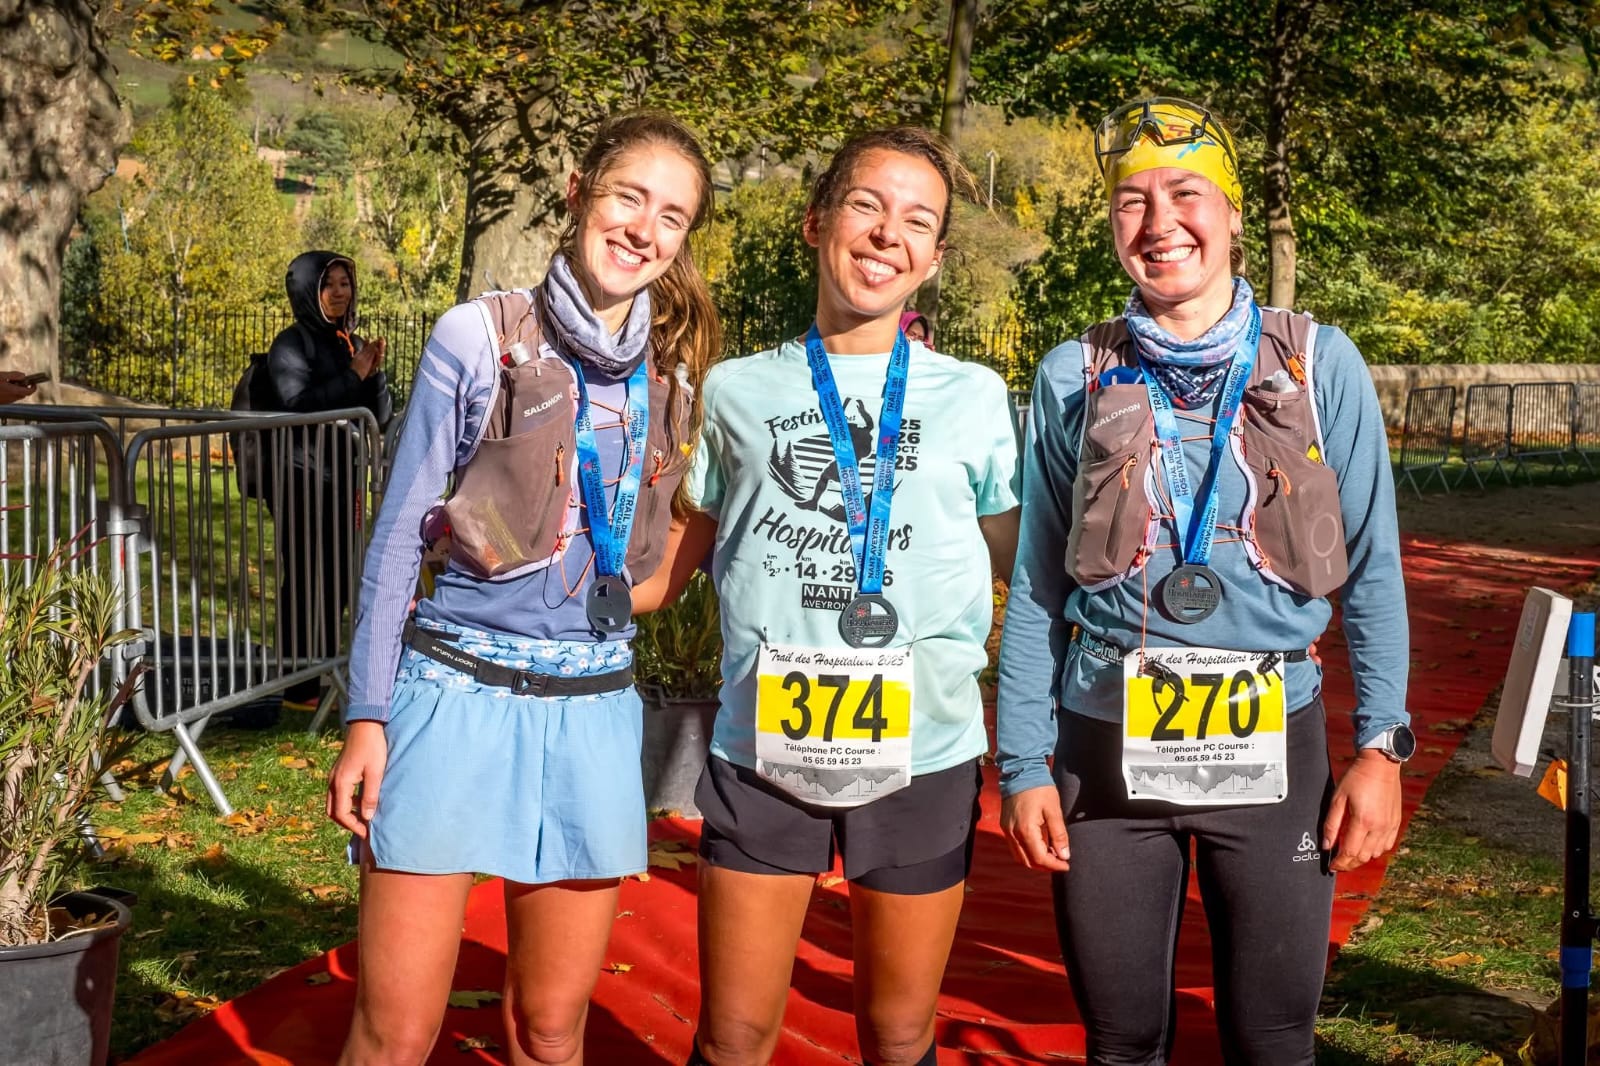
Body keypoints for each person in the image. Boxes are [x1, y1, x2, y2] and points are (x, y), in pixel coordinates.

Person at [996, 97, 1412, 1066]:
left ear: (1231, 214)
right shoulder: (1074, 371)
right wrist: (1021, 763)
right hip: (1102, 749)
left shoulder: (1317, 362)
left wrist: (1382, 747)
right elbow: (1036, 586)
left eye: (1185, 194)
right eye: (1130, 201)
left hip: (1273, 745)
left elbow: (1373, 568)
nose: (1158, 223)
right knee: (1122, 1039)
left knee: (1272, 1038)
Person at [325, 111, 719, 1066]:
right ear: (580, 190)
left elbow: (654, 567)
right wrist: (368, 716)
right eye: (629, 197)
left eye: (671, 216)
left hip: (590, 713)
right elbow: (394, 543)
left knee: (550, 1032)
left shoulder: (676, 373)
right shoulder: (477, 333)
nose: (643, 229)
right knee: (395, 1034)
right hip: (452, 696)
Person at [636, 127, 1020, 1066]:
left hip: (922, 750)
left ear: (932, 260)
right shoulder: (735, 390)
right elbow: (663, 570)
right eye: (867, 206)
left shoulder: (975, 396)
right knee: (733, 1035)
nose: (889, 233)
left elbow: (1030, 569)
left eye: (918, 221)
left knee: (896, 1034)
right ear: (816, 222)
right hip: (764, 748)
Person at [258, 252, 393, 713]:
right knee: (304, 579)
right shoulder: (290, 345)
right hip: (301, 479)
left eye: (345, 283)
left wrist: (372, 376)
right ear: (306, 292)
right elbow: (297, 406)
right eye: (328, 285)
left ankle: (324, 672)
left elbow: (376, 417)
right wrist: (354, 373)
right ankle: (298, 688)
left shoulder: (345, 341)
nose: (340, 293)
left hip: (344, 479)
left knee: (338, 580)